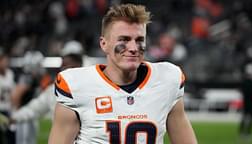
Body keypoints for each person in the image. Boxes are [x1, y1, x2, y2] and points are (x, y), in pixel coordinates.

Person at [49, 3, 197, 144]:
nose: (133, 47)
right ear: (104, 44)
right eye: (124, 40)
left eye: (139, 40)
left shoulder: (167, 80)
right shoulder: (77, 85)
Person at [11, 51, 51, 144]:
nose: (40, 66)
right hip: (24, 113)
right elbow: (17, 94)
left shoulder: (33, 77)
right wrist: (16, 111)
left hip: (30, 112)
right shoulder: (27, 77)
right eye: (38, 64)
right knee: (24, 141)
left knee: (31, 140)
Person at [0, 48, 16, 144]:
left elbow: (13, 93)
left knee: (12, 137)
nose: (5, 63)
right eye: (3, 61)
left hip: (8, 109)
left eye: (7, 61)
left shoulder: (10, 74)